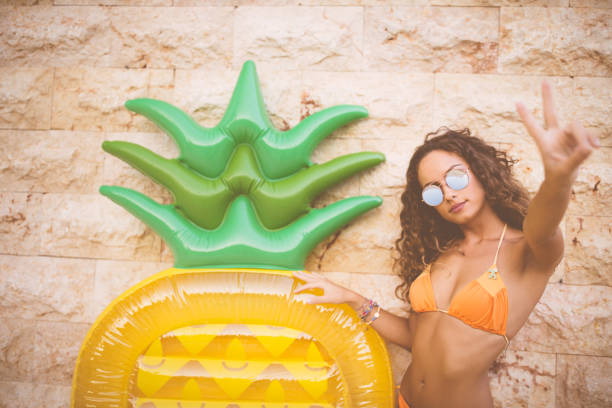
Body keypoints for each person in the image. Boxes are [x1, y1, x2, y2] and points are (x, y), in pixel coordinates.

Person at [292, 81, 599, 408]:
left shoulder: (528, 250)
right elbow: (418, 340)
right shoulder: (439, 254)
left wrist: (557, 178)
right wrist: (351, 299)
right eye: (434, 191)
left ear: (481, 172)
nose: (449, 193)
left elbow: (545, 221)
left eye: (456, 177)